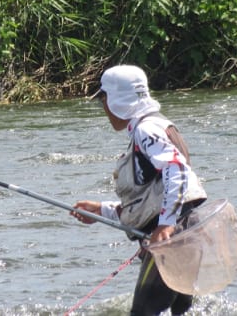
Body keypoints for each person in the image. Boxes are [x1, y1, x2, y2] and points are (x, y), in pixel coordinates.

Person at [70, 65, 207, 315]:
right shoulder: (156, 126)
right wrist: (101, 211)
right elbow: (151, 198)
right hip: (185, 230)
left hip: (173, 235)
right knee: (179, 312)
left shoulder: (146, 130)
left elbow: (176, 170)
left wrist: (166, 226)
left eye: (103, 100)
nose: (104, 108)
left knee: (144, 312)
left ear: (116, 100)